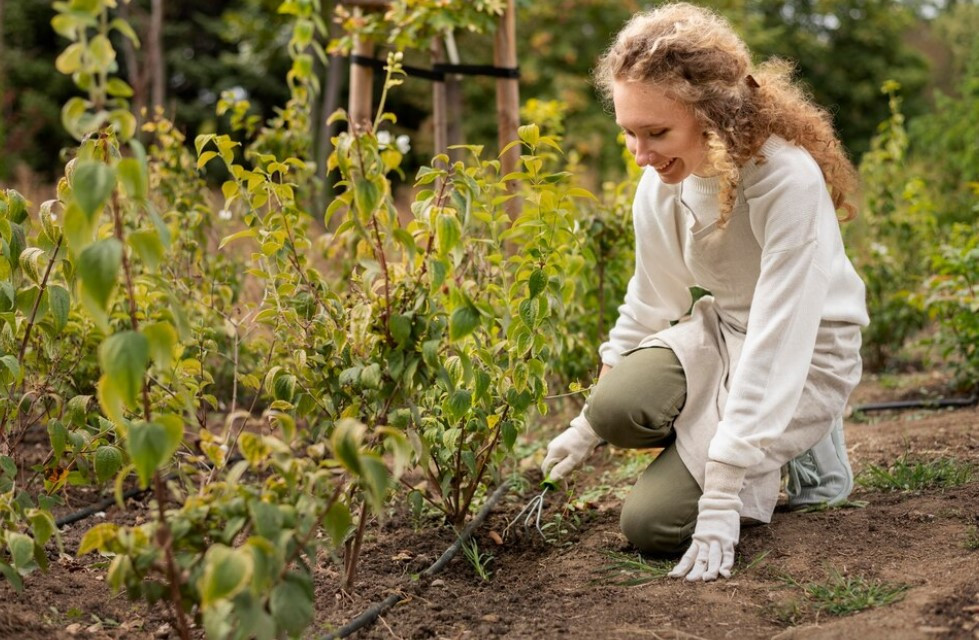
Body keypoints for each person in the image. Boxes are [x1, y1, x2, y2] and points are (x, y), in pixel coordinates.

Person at [541, 2, 869, 582]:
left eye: (656, 132)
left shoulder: (786, 180)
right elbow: (651, 298)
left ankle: (807, 440)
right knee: (617, 409)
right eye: (630, 133)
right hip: (726, 330)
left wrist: (723, 489)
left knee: (653, 527)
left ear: (713, 113)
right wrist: (587, 425)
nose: (641, 155)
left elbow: (779, 333)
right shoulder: (663, 180)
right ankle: (734, 441)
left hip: (804, 350)